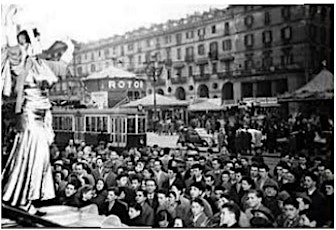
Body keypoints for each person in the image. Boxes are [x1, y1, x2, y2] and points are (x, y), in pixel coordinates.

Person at [2, 14, 74, 214]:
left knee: (40, 158)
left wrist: (69, 43)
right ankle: (20, 198)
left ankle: (28, 198)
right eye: (31, 41)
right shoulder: (19, 63)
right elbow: (13, 46)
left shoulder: (41, 64)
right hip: (30, 113)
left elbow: (62, 65)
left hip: (43, 113)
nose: (35, 45)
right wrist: (10, 22)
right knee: (30, 154)